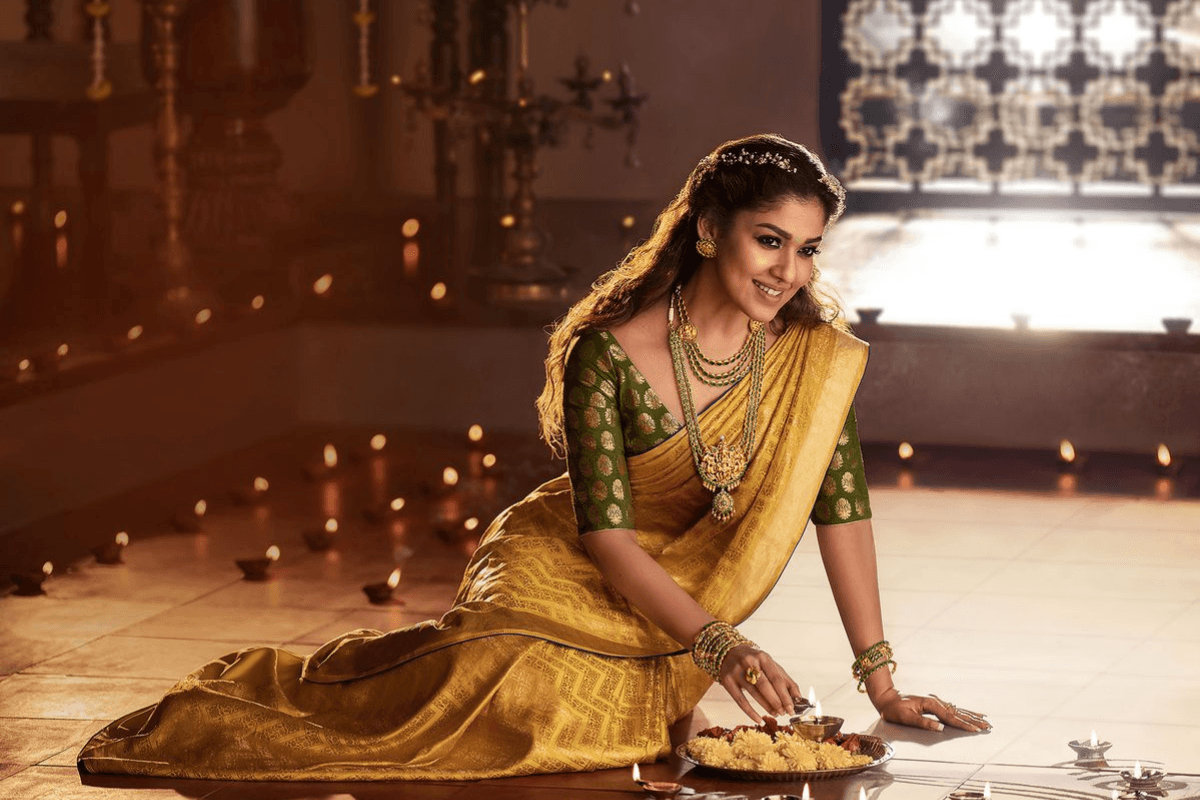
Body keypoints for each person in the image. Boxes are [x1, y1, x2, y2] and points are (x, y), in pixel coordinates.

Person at [78, 133, 988, 782]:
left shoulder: (809, 358)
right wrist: (723, 645)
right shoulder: (610, 351)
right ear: (710, 230)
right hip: (577, 555)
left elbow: (843, 507)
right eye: (770, 239)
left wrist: (883, 680)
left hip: (686, 583)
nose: (789, 270)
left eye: (808, 249)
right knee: (503, 684)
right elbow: (607, 537)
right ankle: (306, 693)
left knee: (581, 712)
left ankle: (658, 680)